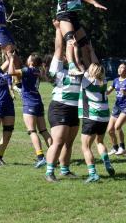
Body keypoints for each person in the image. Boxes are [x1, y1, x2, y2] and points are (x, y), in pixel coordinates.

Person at [44, 20, 82, 182]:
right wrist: (59, 29)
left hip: (74, 108)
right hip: (59, 107)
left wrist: (75, 42)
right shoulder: (57, 68)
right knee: (58, 141)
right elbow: (59, 48)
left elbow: (76, 53)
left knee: (69, 142)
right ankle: (49, 171)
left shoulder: (76, 67)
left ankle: (65, 170)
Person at [8, 52, 52, 168]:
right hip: (38, 102)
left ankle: (41, 157)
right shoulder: (37, 71)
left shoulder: (28, 70)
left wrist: (11, 59)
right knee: (43, 130)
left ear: (31, 62)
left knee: (32, 131)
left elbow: (11, 72)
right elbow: (20, 80)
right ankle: (55, 155)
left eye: (28, 58)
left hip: (29, 104)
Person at [79, 63, 115, 183]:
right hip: (104, 116)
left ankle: (93, 173)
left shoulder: (87, 80)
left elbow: (79, 63)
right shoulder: (103, 80)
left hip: (92, 116)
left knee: (85, 146)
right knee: (99, 141)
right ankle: (107, 163)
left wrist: (74, 48)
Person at [107, 62, 126, 156]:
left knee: (117, 127)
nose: (120, 69)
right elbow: (108, 91)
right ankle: (115, 148)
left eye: (122, 68)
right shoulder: (115, 80)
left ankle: (122, 148)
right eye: (119, 67)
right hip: (117, 107)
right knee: (110, 130)